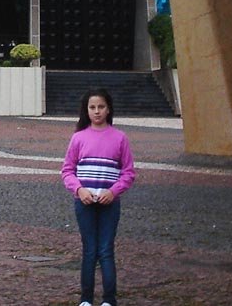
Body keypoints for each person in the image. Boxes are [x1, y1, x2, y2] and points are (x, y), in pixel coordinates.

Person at [61, 88, 135, 306]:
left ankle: (109, 300)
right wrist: (78, 189)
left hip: (109, 203)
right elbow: (67, 170)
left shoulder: (120, 138)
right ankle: (86, 299)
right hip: (84, 202)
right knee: (89, 250)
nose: (96, 111)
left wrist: (113, 192)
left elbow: (129, 172)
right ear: (86, 110)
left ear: (108, 108)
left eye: (101, 107)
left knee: (105, 250)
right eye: (92, 107)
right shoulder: (78, 138)